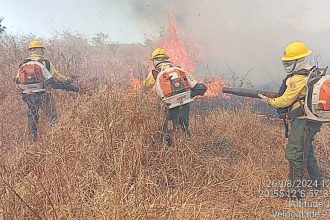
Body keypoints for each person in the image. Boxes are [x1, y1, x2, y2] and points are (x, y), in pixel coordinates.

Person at [258, 41, 323, 198]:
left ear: (299, 60)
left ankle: (295, 191)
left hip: (302, 121)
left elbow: (285, 101)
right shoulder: (310, 71)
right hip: (312, 119)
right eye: (285, 62)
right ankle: (317, 182)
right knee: (306, 150)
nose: (286, 65)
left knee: (294, 153)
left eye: (289, 62)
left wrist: (268, 100)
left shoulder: (297, 79)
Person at [15, 40, 80, 141]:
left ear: (30, 50)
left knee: (32, 117)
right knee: (52, 117)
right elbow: (56, 78)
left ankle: (32, 140)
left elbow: (17, 81)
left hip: (28, 95)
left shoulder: (23, 64)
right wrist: (69, 82)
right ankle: (58, 138)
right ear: (41, 50)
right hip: (43, 93)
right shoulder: (45, 63)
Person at [144, 48, 206, 147]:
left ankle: (167, 147)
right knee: (185, 126)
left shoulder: (154, 72)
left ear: (154, 60)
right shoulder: (178, 68)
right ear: (166, 58)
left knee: (165, 127)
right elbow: (193, 83)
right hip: (184, 101)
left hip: (168, 104)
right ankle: (189, 146)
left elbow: (145, 88)